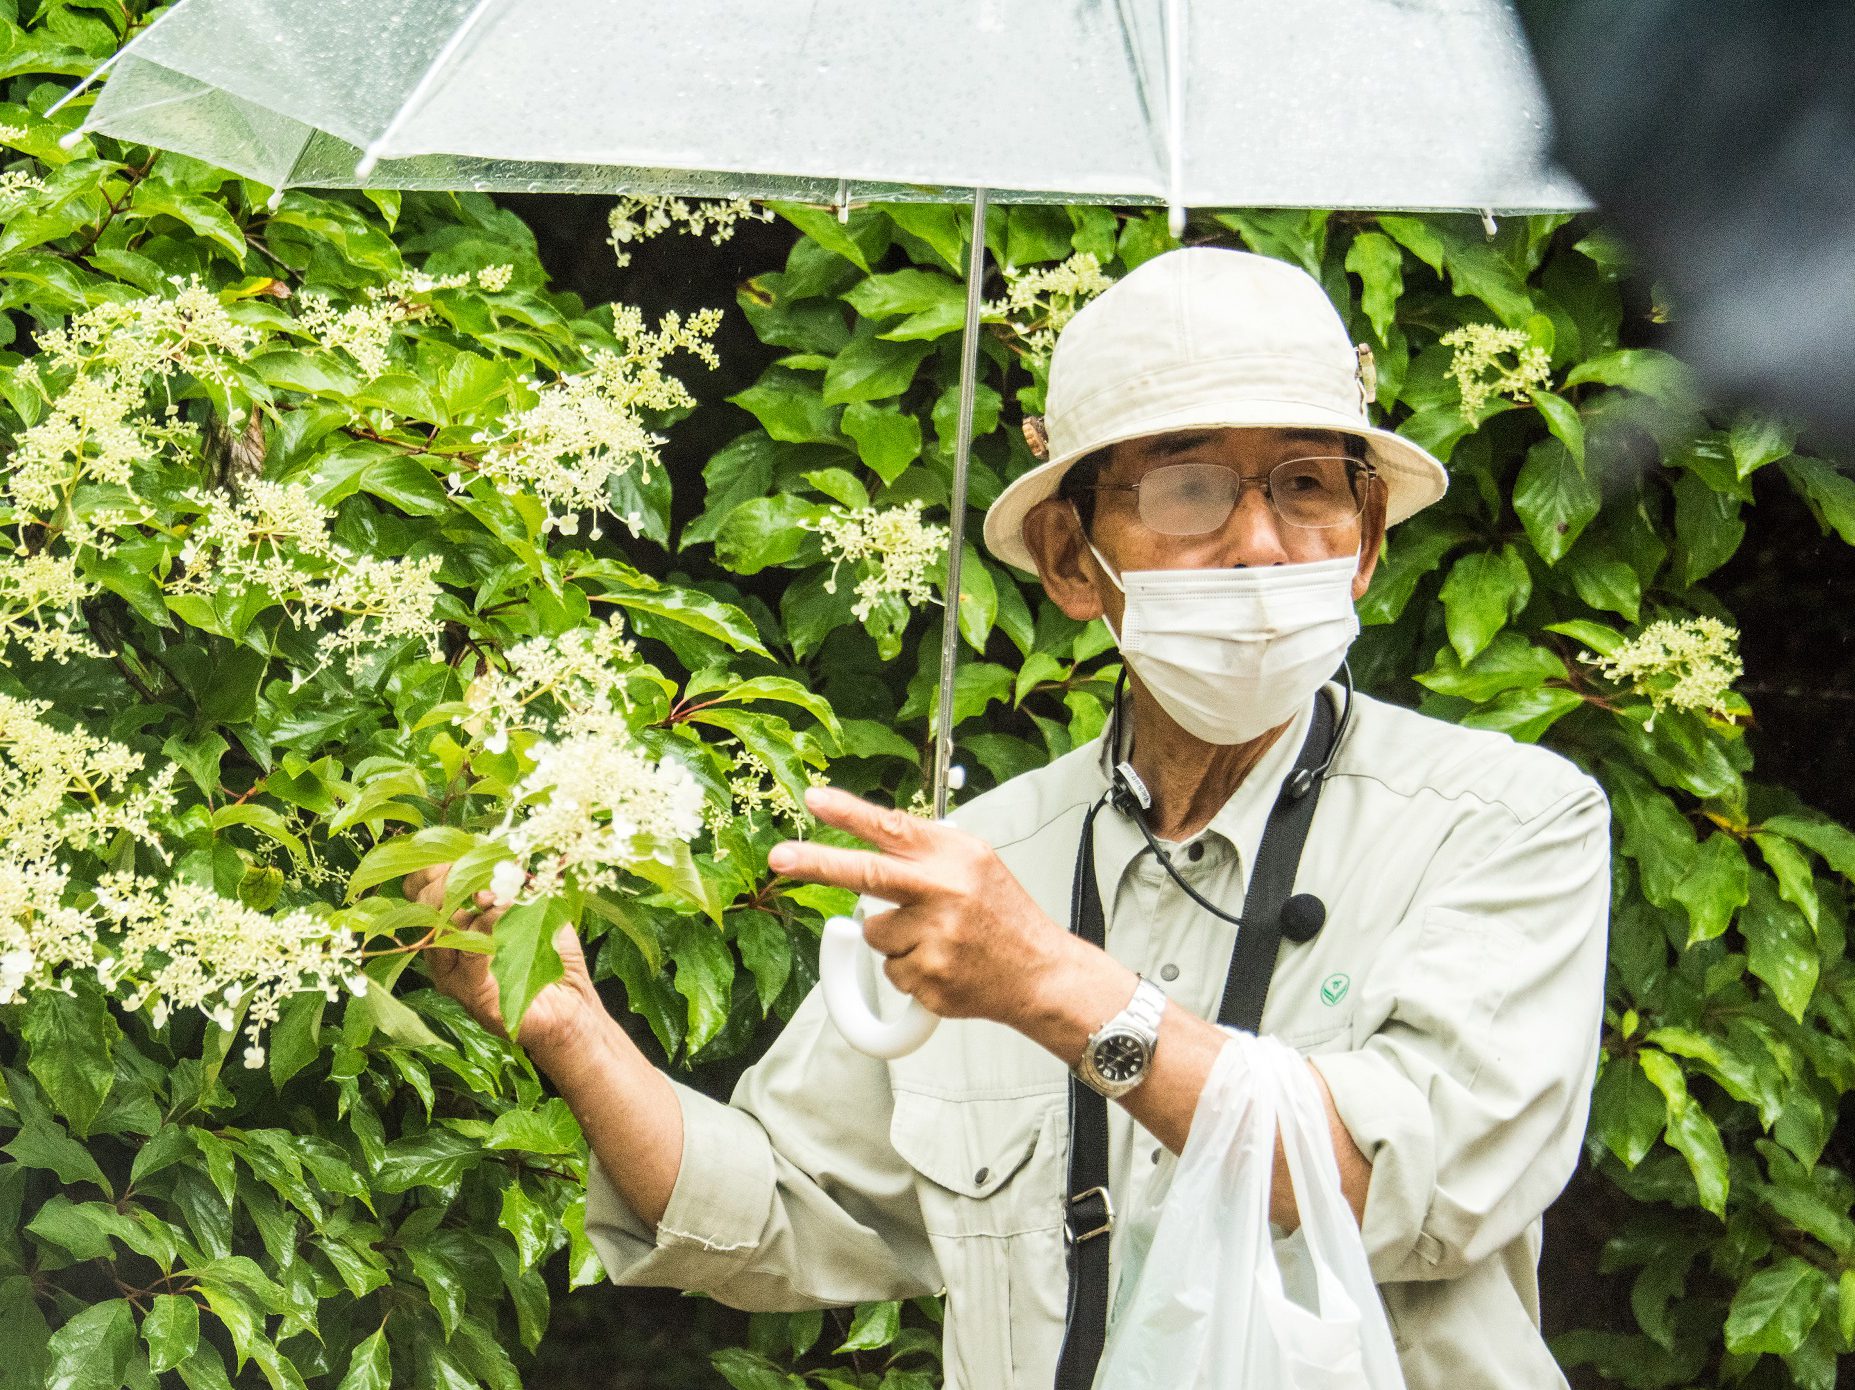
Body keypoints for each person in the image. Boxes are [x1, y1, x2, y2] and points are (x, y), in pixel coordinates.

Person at [406, 248, 1611, 1390]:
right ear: (1070, 557)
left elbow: (1409, 1186)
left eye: (1307, 486)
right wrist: (566, 1025)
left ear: (1365, 542)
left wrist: (1049, 986)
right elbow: (776, 1210)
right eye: (1188, 488)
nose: (1257, 541)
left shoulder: (1511, 821)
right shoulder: (993, 866)